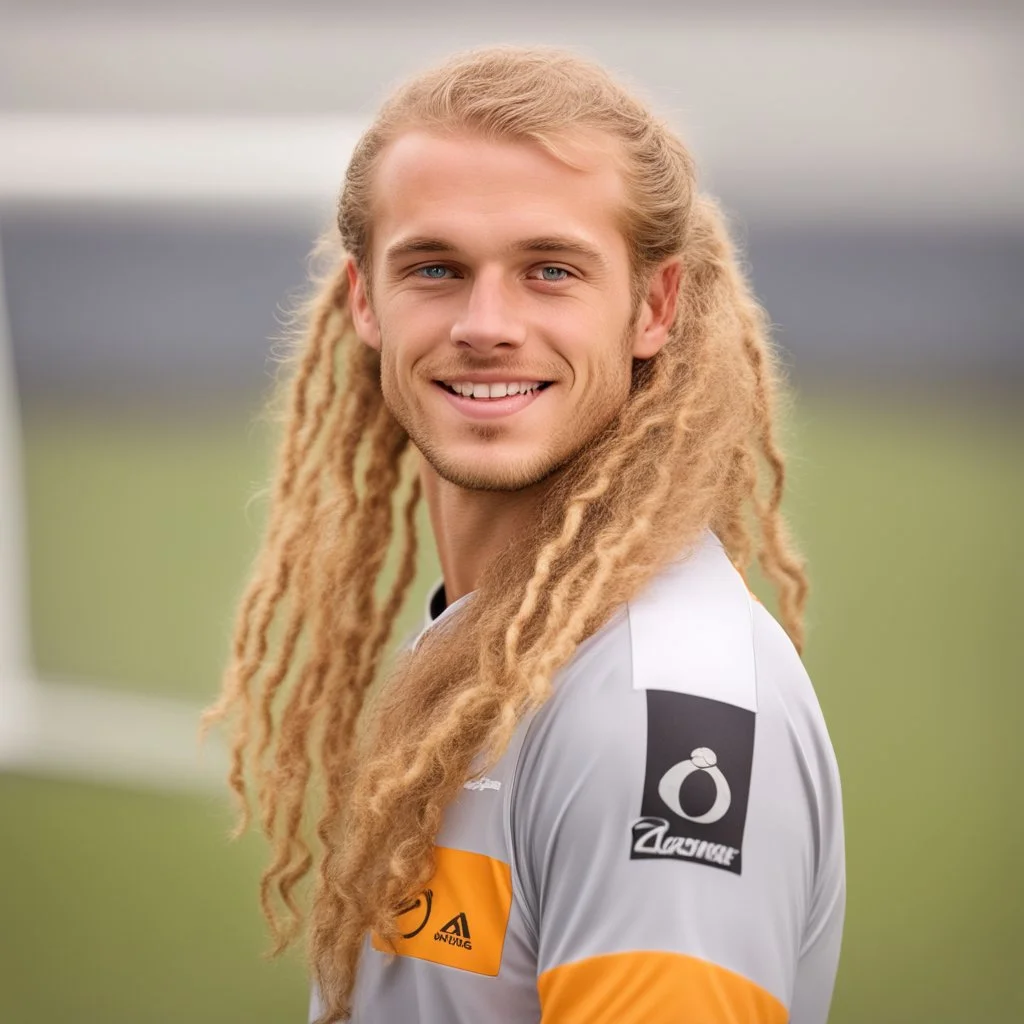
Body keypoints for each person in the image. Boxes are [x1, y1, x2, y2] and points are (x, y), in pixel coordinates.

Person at [204, 45, 845, 1024]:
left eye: (551, 270)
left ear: (653, 307)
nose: (486, 323)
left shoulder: (657, 710)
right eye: (435, 268)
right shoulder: (492, 642)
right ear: (364, 301)